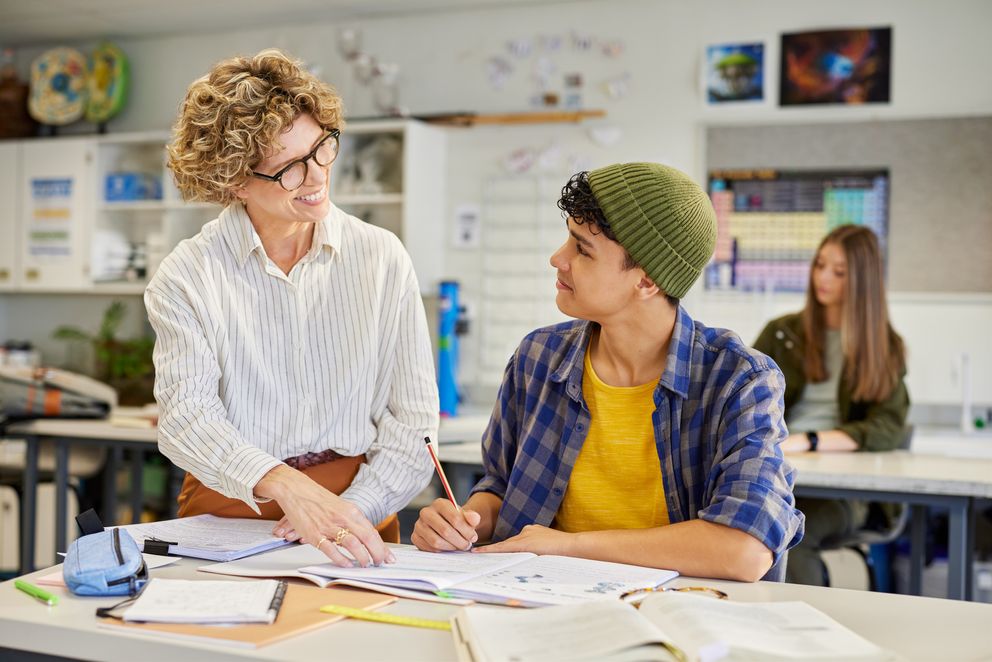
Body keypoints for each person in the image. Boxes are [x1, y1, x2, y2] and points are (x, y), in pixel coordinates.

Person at [412, 163, 803, 581]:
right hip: (534, 602)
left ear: (648, 280)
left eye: (582, 249)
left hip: (676, 617)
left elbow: (744, 549)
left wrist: (564, 548)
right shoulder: (538, 357)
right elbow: (499, 489)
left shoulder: (739, 380)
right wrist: (465, 520)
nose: (557, 258)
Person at [145, 49, 438, 567]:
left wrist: (351, 510)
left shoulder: (380, 256)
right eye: (289, 168)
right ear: (234, 181)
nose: (317, 175)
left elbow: (412, 421)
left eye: (322, 148)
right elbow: (186, 417)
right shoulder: (188, 274)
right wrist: (286, 486)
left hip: (360, 501)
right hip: (233, 504)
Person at [753, 224, 910, 586]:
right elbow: (744, 397)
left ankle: (798, 633)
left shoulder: (885, 347)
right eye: (819, 265)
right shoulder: (782, 332)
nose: (823, 278)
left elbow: (887, 427)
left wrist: (810, 440)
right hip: (778, 477)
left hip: (844, 493)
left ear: (862, 280)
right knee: (741, 528)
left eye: (838, 272)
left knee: (791, 535)